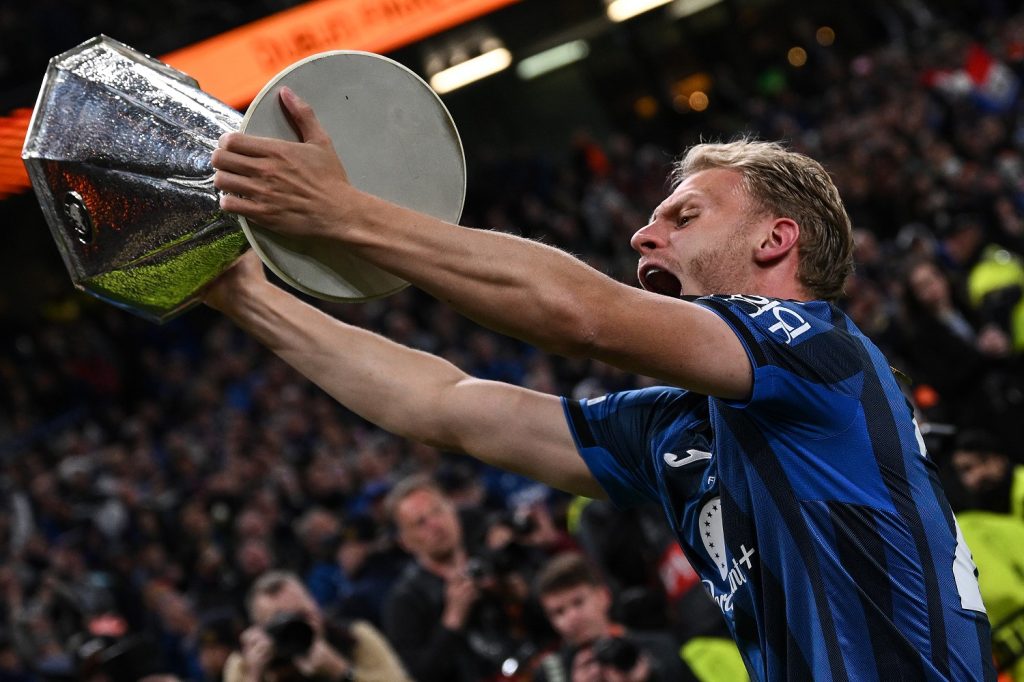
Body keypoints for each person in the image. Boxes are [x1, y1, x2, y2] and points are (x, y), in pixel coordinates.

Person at [207, 87, 996, 680]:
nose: (643, 234)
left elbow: (583, 316)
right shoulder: (682, 430)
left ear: (774, 240)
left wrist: (344, 212)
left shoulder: (820, 352)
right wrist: (247, 299)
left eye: (685, 216)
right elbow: (442, 406)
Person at [381, 475, 543, 682]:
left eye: (437, 511)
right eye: (420, 523)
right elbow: (420, 674)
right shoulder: (404, 601)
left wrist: (518, 594)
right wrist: (453, 620)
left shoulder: (494, 555)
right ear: (405, 541)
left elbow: (552, 612)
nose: (435, 524)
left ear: (452, 509)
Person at [533, 551, 735, 682]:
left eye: (578, 602)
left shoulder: (658, 648)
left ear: (603, 596)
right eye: (558, 612)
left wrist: (650, 678)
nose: (572, 617)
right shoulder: (550, 673)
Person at [222, 570, 409, 682]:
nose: (296, 627)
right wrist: (254, 676)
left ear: (316, 606)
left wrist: (343, 672)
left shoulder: (354, 637)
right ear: (260, 629)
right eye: (280, 622)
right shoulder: (245, 663)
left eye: (303, 615)